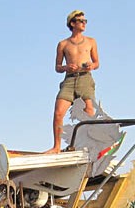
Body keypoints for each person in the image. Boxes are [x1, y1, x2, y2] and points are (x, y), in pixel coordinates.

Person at [48, 10, 99, 154]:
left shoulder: (91, 41)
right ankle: (56, 146)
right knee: (58, 112)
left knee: (89, 110)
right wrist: (66, 67)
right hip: (69, 80)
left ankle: (90, 145)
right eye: (81, 21)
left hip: (85, 78)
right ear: (72, 23)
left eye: (85, 21)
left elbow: (97, 63)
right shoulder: (63, 44)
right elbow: (57, 67)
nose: (84, 23)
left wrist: (91, 65)